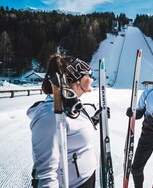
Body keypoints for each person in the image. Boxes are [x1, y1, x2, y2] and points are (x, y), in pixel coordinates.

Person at [27, 54, 103, 188]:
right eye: (88, 75)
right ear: (77, 80)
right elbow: (45, 173)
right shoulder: (50, 116)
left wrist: (93, 121)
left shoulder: (71, 106)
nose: (91, 79)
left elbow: (72, 130)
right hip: (73, 184)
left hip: (85, 178)